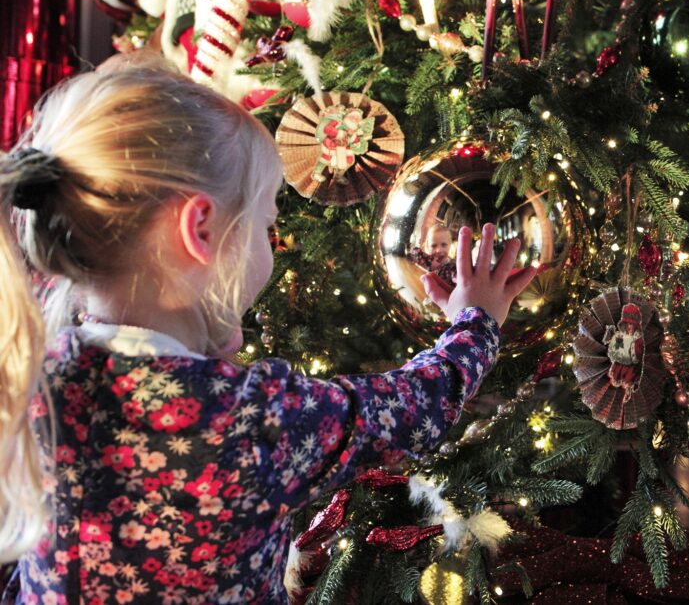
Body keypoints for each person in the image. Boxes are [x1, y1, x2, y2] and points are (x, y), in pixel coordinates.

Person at [0, 61, 536, 603]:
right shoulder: (249, 416)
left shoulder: (30, 371)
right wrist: (477, 320)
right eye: (265, 224)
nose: (269, 243)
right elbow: (415, 410)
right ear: (201, 230)